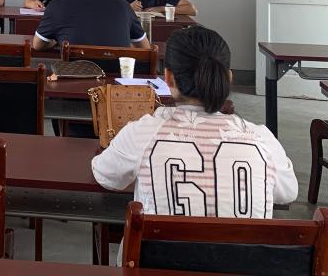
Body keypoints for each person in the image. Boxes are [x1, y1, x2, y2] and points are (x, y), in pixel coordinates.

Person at [91, 25, 296, 218]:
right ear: (228, 78)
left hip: (158, 246)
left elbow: (106, 176)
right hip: (243, 246)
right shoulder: (262, 140)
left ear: (168, 78)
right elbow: (288, 193)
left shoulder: (142, 134)